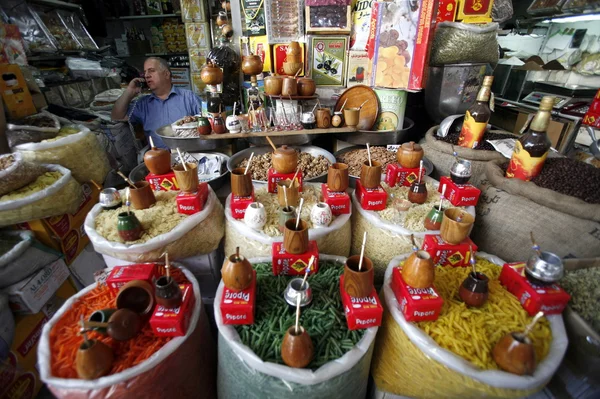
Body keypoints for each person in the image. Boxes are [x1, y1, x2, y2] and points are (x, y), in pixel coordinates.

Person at [111, 57, 202, 148]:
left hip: (190, 155)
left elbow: (208, 122)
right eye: (145, 72)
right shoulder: (143, 104)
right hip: (158, 157)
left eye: (151, 71)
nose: (146, 75)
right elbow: (117, 117)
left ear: (166, 74)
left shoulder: (189, 98)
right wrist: (129, 92)